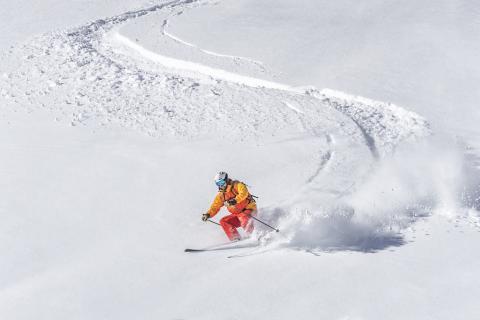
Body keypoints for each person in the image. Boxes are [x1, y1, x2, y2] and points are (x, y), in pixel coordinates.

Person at [202, 172, 257, 241]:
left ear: (226, 180)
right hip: (237, 214)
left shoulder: (237, 185)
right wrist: (208, 214)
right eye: (218, 184)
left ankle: (255, 236)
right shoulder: (221, 195)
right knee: (224, 221)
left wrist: (235, 200)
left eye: (221, 182)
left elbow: (244, 193)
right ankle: (235, 238)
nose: (220, 185)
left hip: (248, 210)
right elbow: (215, 206)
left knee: (243, 218)